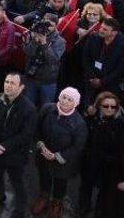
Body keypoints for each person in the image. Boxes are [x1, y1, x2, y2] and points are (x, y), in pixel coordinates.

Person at [0, 72, 37, 218]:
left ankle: (20, 209)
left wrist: (3, 146)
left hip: (15, 155)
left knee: (18, 183)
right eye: (6, 81)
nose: (8, 85)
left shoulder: (29, 108)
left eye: (12, 83)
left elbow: (26, 135)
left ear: (21, 87)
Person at [32, 88, 87, 218]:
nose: (65, 101)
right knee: (44, 177)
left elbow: (77, 147)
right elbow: (37, 129)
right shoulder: (47, 109)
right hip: (43, 154)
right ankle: (44, 197)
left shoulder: (79, 123)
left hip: (64, 161)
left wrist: (57, 156)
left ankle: (57, 202)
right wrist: (41, 145)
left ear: (76, 103)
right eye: (63, 97)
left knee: (60, 182)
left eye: (70, 99)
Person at [78, 91, 124, 218]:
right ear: (99, 106)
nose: (109, 109)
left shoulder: (120, 124)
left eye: (113, 106)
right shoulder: (91, 120)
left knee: (105, 192)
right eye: (106, 106)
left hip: (109, 165)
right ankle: (83, 208)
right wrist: (88, 115)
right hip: (90, 160)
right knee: (86, 186)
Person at [22, 16, 65, 107]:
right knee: (28, 106)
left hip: (47, 82)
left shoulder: (60, 41)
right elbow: (27, 52)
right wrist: (34, 41)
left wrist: (44, 43)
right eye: (45, 25)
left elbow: (53, 60)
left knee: (46, 108)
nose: (47, 28)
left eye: (50, 26)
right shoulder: (33, 35)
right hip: (31, 78)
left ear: (56, 26)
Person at [82, 17, 124, 105]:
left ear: (114, 32)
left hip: (110, 85)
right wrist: (92, 77)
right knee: (88, 108)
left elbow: (120, 69)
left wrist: (102, 82)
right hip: (91, 81)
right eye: (101, 27)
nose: (100, 30)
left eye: (105, 29)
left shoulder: (121, 44)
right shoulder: (93, 37)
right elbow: (86, 58)